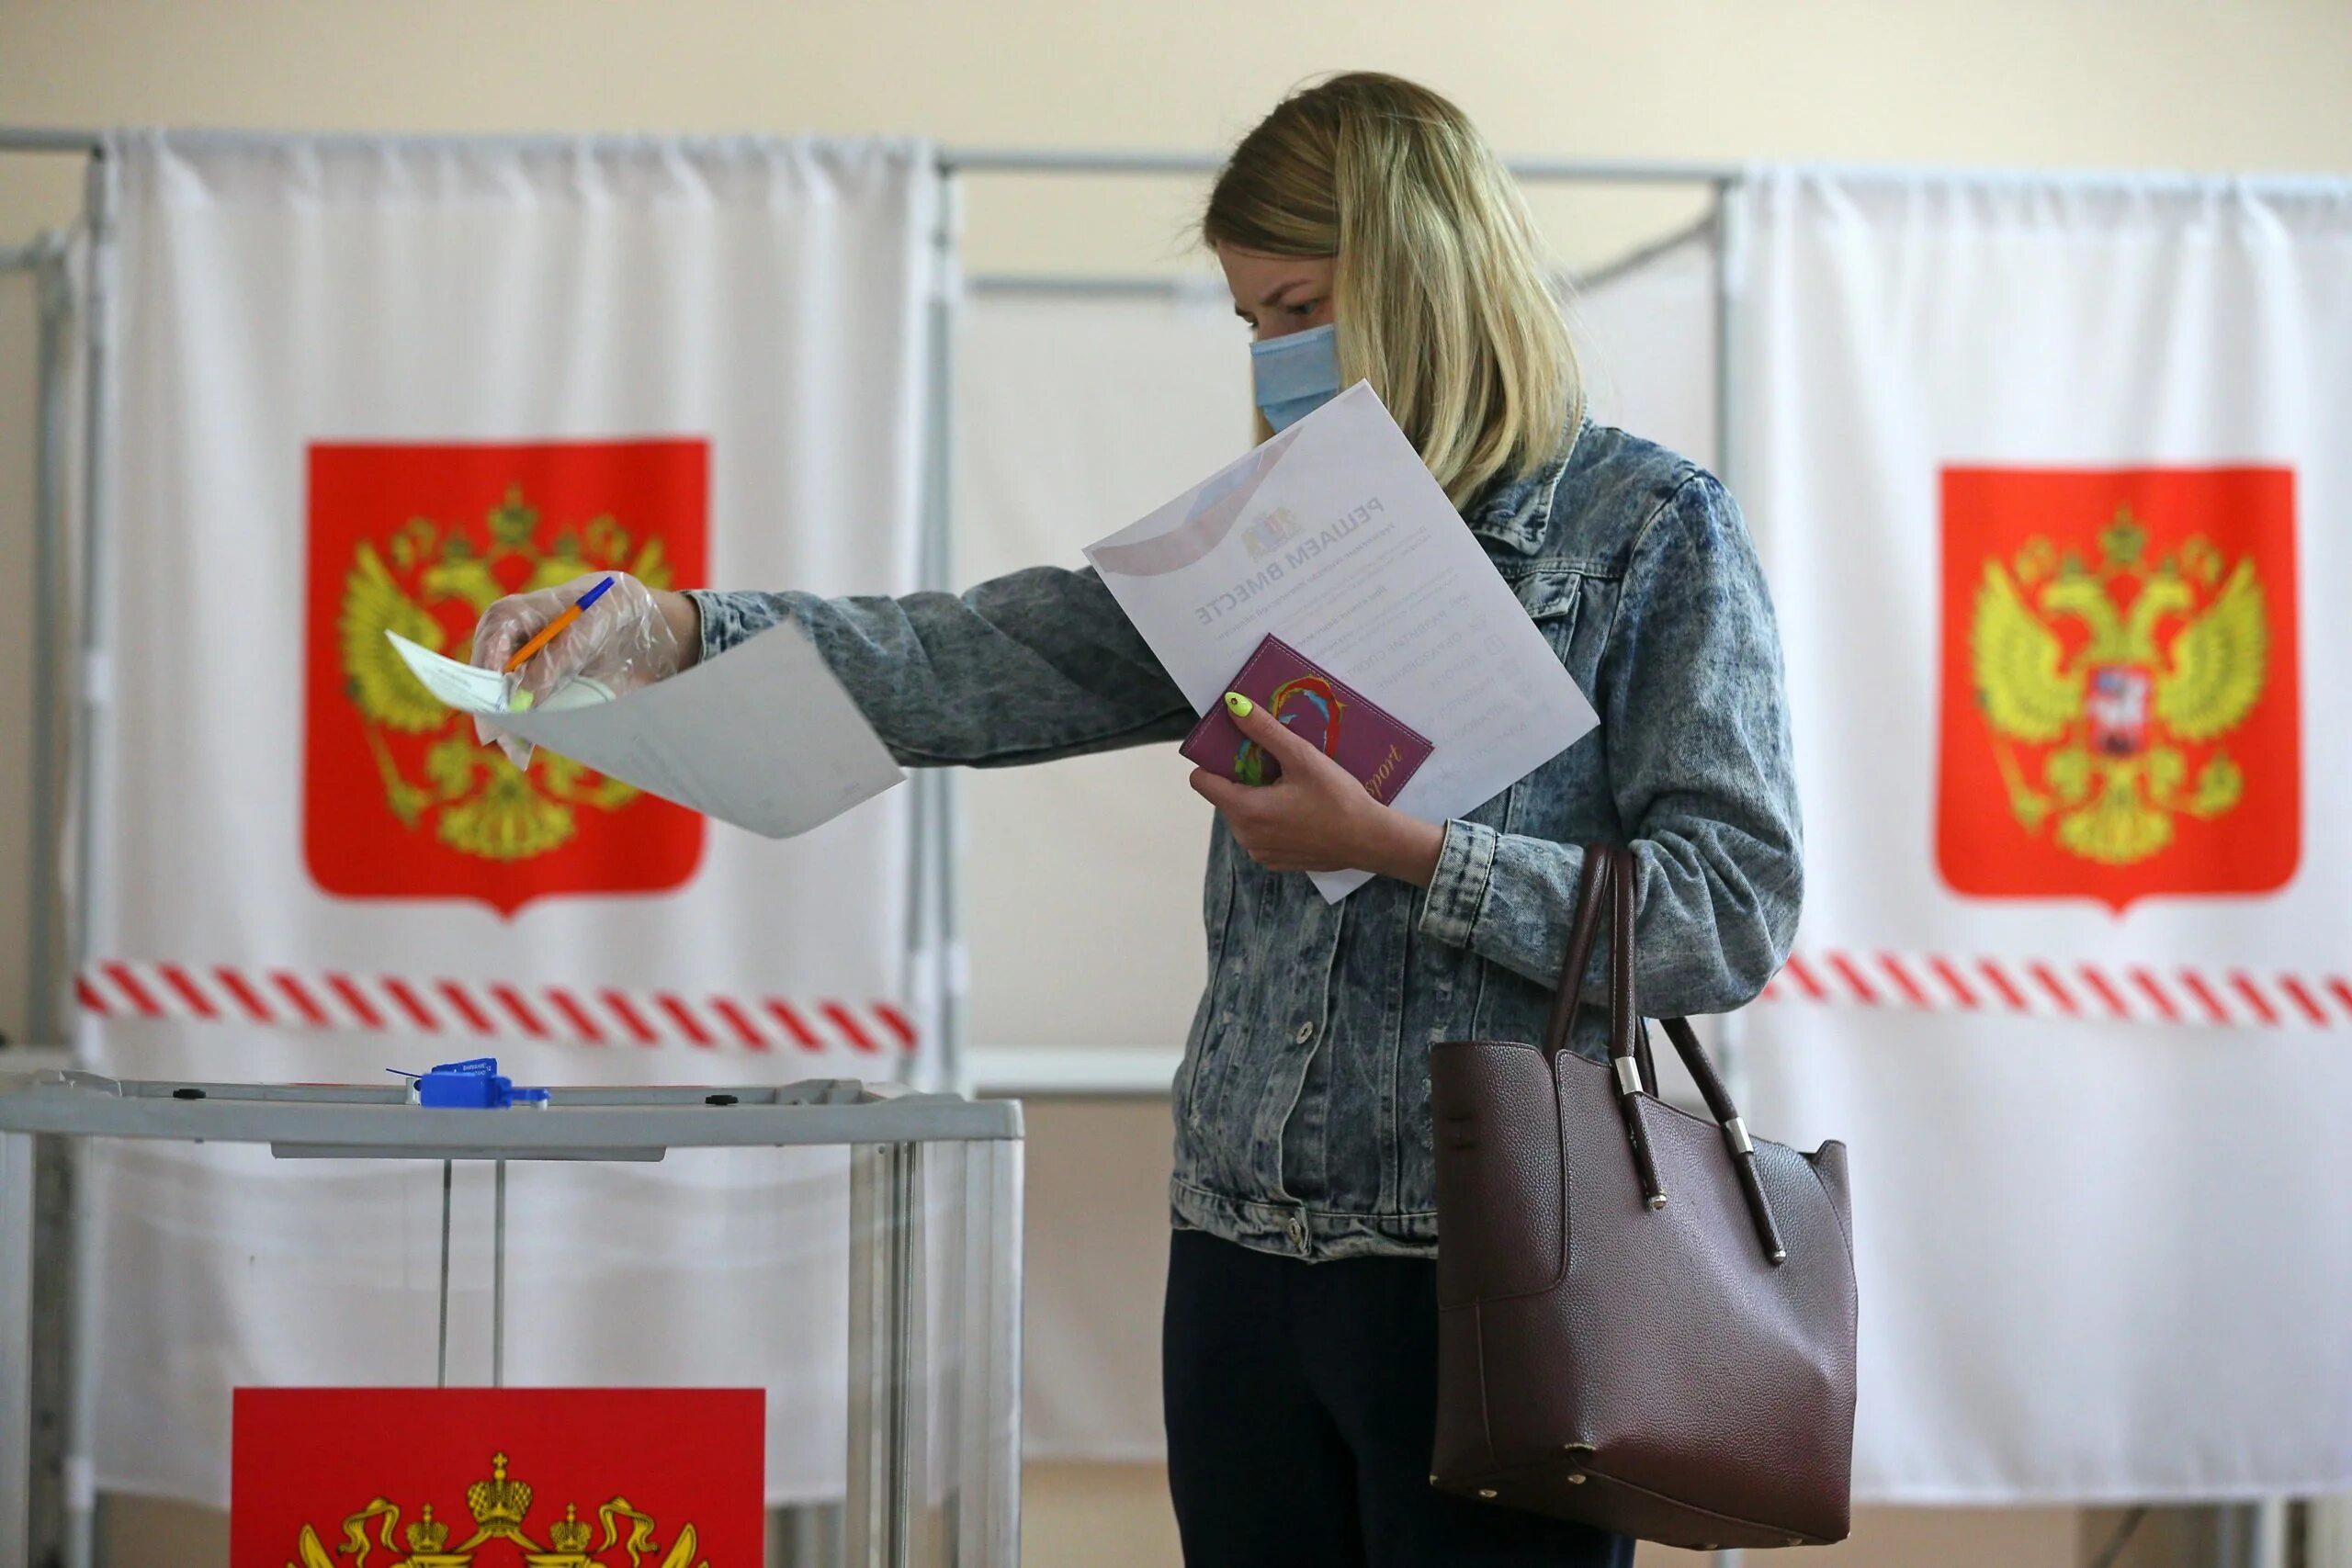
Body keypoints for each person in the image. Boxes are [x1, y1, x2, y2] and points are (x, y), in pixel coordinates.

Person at [471, 71, 1801, 1568]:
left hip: (1492, 1275)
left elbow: (1730, 911)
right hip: (1235, 1257)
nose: (1276, 357)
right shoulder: (1269, 531)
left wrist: (1407, 852)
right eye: (1252, 323)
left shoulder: (1649, 534)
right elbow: (987, 657)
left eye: (1300, 307)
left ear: (1426, 275)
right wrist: (671, 627)